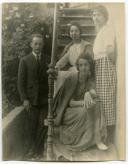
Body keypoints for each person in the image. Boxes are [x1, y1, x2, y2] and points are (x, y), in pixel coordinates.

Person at [53, 53, 108, 160]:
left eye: (86, 65)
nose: (83, 68)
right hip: (68, 111)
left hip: (81, 107)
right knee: (86, 110)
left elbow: (93, 92)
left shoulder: (89, 77)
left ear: (90, 66)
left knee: (98, 104)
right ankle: (81, 142)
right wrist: (84, 102)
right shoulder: (72, 79)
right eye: (81, 65)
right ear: (78, 66)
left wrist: (90, 94)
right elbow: (70, 103)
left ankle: (97, 140)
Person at [18, 34, 48, 159]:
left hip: (45, 99)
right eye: (35, 44)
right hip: (31, 99)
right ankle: (33, 150)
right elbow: (20, 82)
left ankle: (38, 150)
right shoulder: (24, 60)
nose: (38, 46)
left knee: (43, 125)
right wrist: (24, 99)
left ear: (43, 45)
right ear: (31, 44)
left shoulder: (48, 59)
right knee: (32, 125)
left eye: (40, 44)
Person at [92, 5, 117, 144]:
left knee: (107, 99)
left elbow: (110, 49)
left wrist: (110, 64)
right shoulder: (100, 31)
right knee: (101, 98)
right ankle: (103, 133)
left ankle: (109, 135)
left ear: (105, 16)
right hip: (99, 64)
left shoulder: (108, 30)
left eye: (98, 15)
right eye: (94, 15)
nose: (96, 17)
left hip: (105, 65)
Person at [54, 21, 93, 95]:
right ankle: (61, 99)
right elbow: (63, 60)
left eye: (76, 31)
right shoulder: (69, 47)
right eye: (71, 31)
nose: (74, 33)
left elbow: (90, 60)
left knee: (71, 75)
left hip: (84, 69)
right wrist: (56, 66)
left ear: (80, 32)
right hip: (73, 71)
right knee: (60, 74)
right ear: (69, 33)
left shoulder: (87, 45)